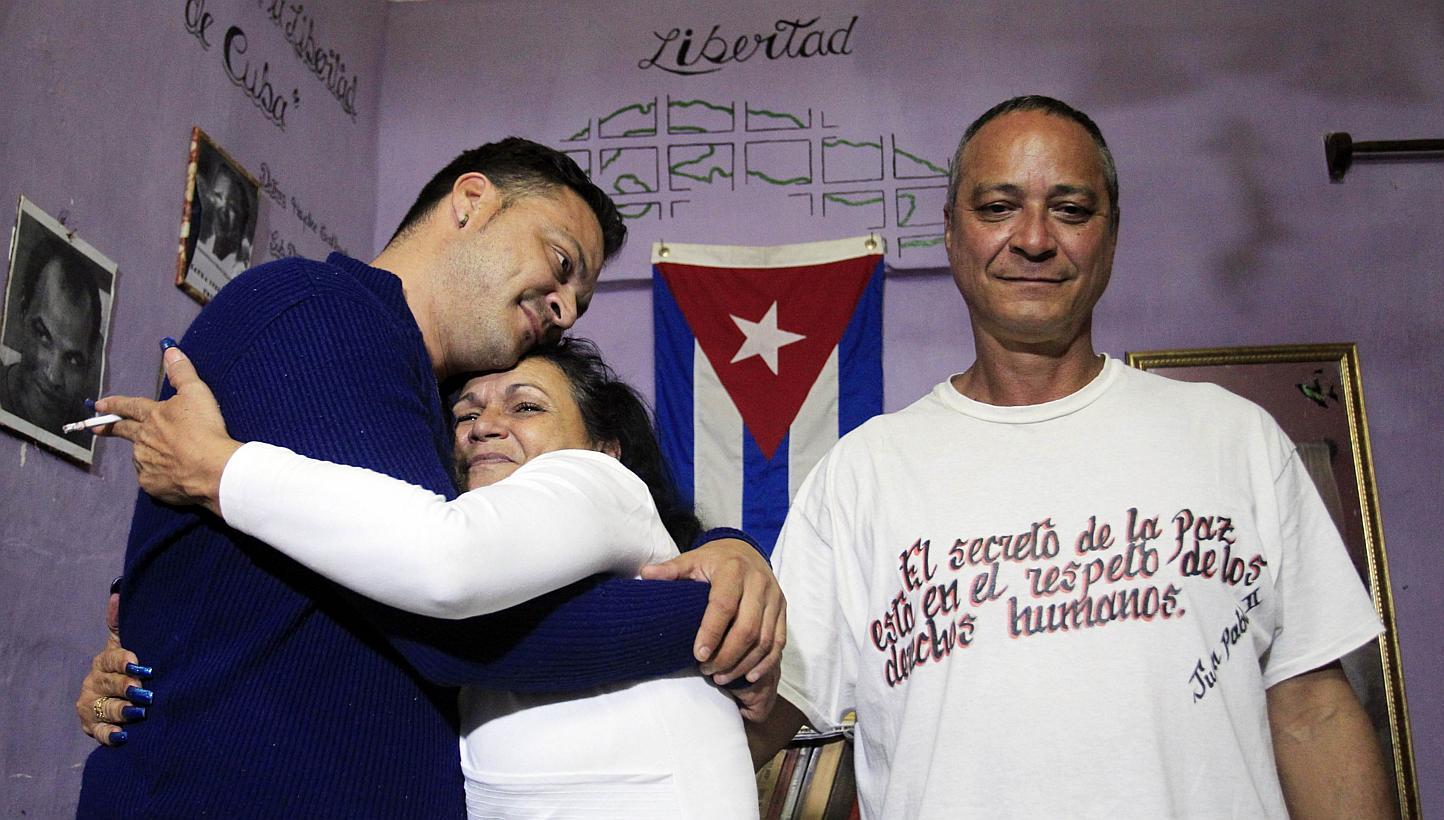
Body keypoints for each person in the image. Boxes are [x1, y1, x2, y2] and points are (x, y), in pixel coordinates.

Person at [76, 137, 783, 818]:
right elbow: (449, 625)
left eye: (580, 300)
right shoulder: (322, 312)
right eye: (561, 261)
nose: (565, 308)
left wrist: (727, 553)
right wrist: (721, 621)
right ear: (472, 201)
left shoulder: (413, 397)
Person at [748, 96, 1393, 818]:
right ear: (952, 235)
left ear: (1111, 236)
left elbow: (1313, 713)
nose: (1032, 239)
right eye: (997, 206)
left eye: (1071, 210)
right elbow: (756, 720)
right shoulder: (862, 475)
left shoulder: (1233, 439)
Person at [85, 337, 759, 818]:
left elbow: (452, 570)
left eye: (525, 408)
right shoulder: (439, 561)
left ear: (605, 446)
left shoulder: (594, 478)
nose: (485, 426)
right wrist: (155, 659)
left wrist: (217, 466)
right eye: (465, 413)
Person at [0, 233, 102, 443]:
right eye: (43, 336)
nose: (54, 376)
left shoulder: (86, 434)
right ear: (22, 315)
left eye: (73, 360)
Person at [193, 157, 252, 273]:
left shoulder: (241, 267)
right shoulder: (201, 243)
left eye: (232, 205)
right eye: (218, 196)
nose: (223, 209)